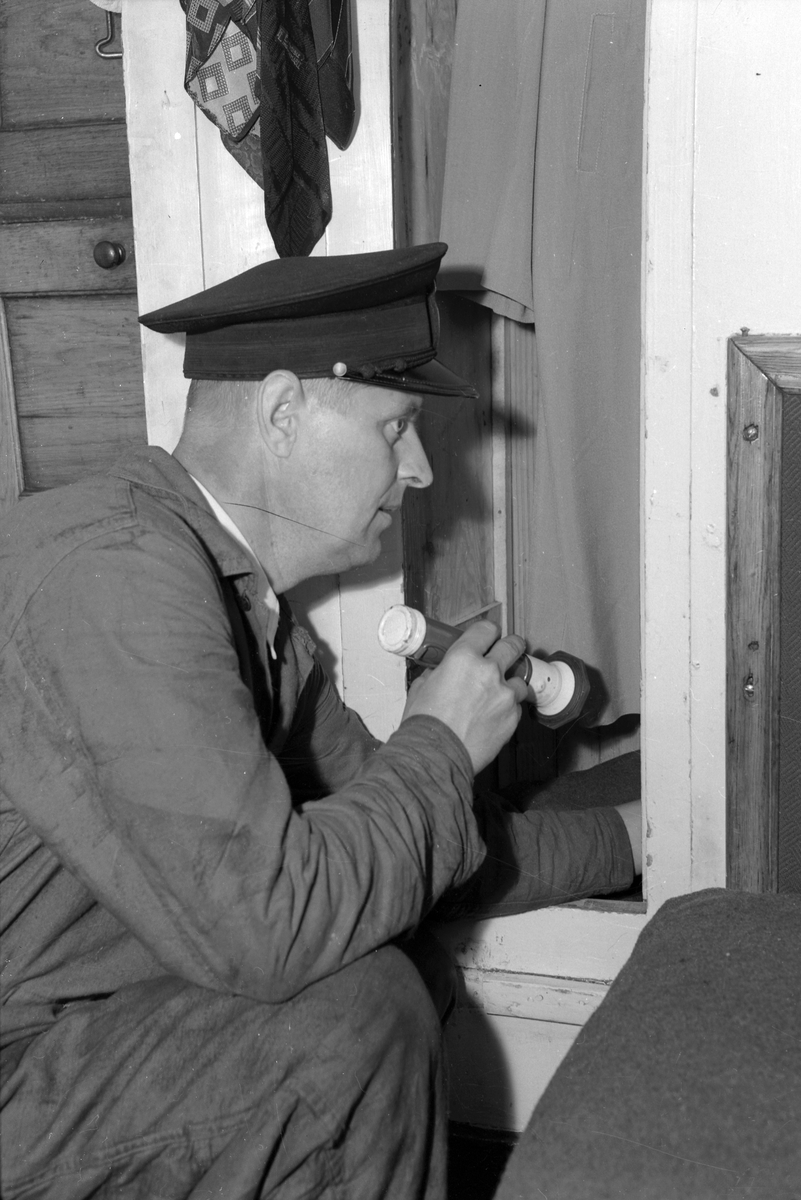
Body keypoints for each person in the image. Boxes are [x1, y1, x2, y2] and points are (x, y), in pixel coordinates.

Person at [0, 243, 640, 1199]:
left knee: (393, 954)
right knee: (353, 1014)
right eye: (396, 428)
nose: (421, 469)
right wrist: (438, 743)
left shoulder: (245, 609)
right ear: (282, 412)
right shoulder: (113, 576)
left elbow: (426, 848)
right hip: (21, 1062)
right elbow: (273, 926)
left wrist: (635, 837)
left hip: (79, 1032)